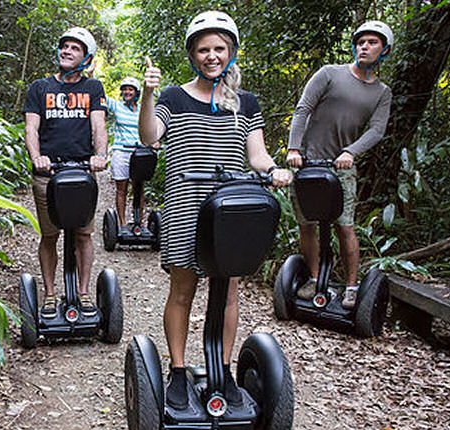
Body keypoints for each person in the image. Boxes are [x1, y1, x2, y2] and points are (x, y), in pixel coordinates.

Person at [138, 11, 292, 409]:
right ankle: (176, 370)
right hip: (186, 206)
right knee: (183, 289)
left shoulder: (245, 103)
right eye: (204, 49)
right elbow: (151, 136)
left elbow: (257, 155)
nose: (212, 56)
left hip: (230, 210)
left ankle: (221, 369)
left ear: (231, 52)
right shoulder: (173, 96)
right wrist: (148, 94)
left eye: (219, 48)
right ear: (193, 54)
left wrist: (274, 171)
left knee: (228, 292)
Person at [285, 20, 393, 308]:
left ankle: (351, 287)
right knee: (306, 224)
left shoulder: (382, 93)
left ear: (384, 50)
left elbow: (376, 130)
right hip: (306, 163)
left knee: (345, 227)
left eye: (372, 43)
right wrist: (294, 148)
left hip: (341, 167)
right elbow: (303, 108)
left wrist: (350, 152)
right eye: (360, 42)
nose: (364, 47)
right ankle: (313, 278)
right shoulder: (330, 74)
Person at [22, 27, 109, 319]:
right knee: (50, 235)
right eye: (65, 46)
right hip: (48, 174)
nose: (67, 51)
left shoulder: (93, 88)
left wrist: (100, 156)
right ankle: (49, 294)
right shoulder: (40, 88)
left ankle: (83, 293)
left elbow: (99, 126)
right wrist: (37, 157)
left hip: (83, 172)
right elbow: (31, 127)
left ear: (86, 57)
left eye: (75, 48)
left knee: (83, 235)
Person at [106, 77, 150, 227]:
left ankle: (139, 222)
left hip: (140, 153)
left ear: (136, 92)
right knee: (121, 189)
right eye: (124, 89)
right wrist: (91, 75)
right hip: (121, 151)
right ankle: (122, 223)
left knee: (139, 187)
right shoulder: (117, 106)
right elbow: (101, 96)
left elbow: (150, 127)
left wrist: (153, 141)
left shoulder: (144, 109)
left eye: (130, 89)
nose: (127, 92)